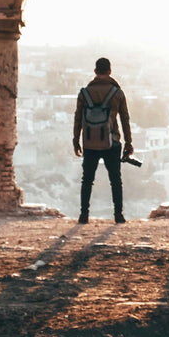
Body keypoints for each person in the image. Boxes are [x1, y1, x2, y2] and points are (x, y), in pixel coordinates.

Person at [72, 57, 133, 224]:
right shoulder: (117, 93)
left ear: (95, 72)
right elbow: (125, 119)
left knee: (87, 179)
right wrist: (128, 142)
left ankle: (84, 215)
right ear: (110, 71)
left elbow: (78, 118)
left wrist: (76, 140)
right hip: (111, 141)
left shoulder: (84, 93)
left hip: (90, 142)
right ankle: (118, 215)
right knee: (115, 179)